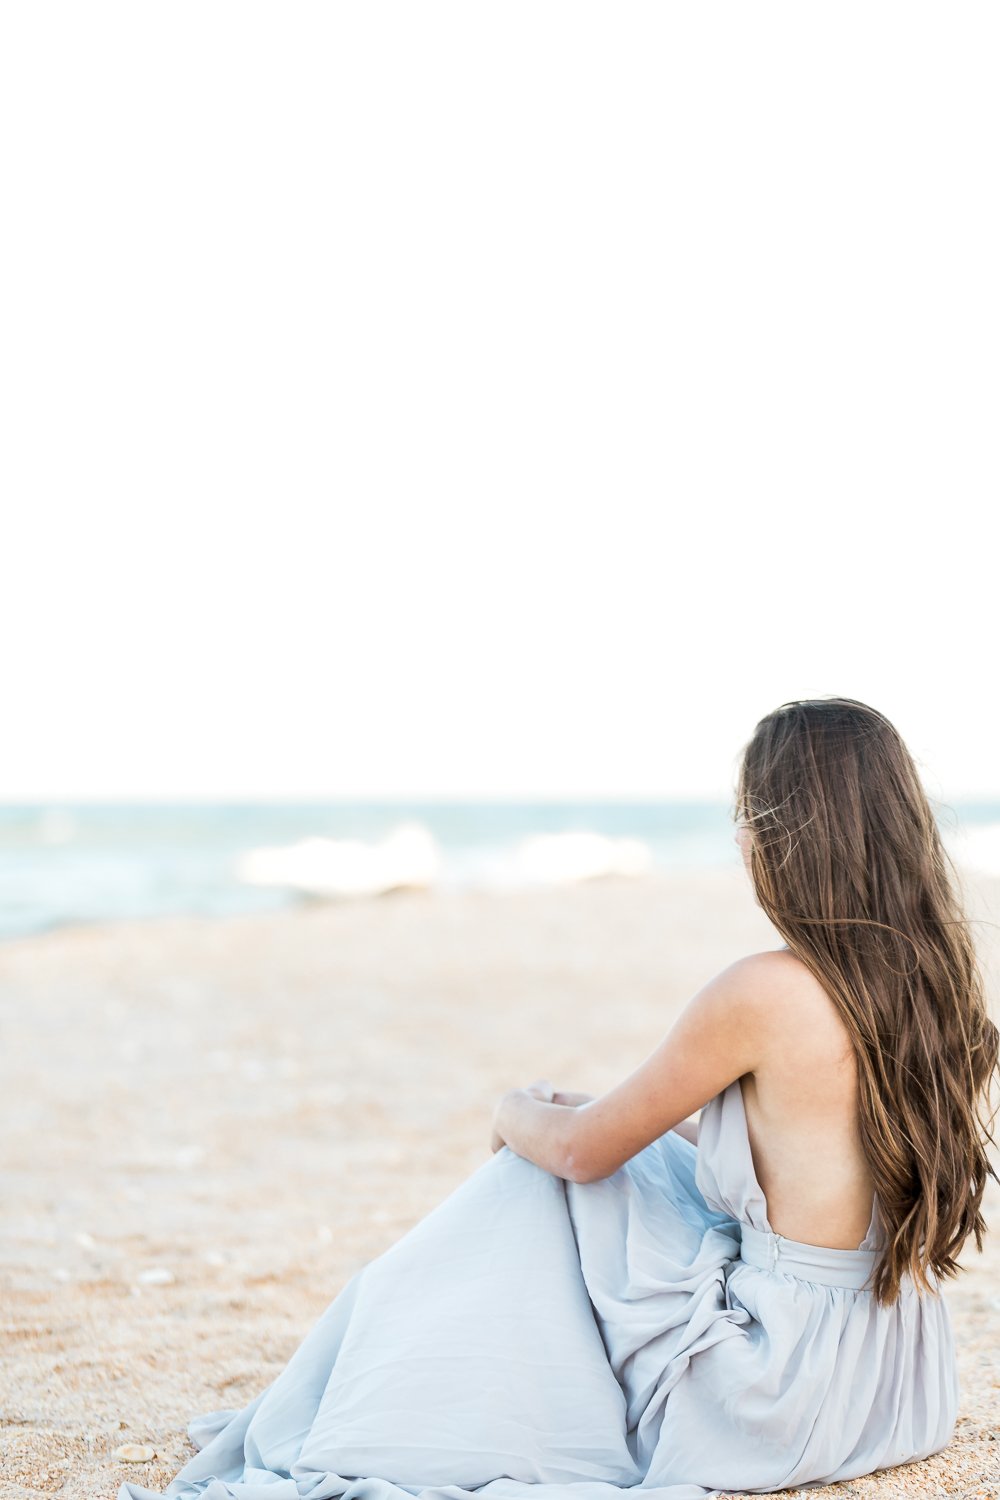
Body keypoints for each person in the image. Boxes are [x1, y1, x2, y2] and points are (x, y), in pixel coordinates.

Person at [118, 696, 998, 1500]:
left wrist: (514, 1111)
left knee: (540, 1176)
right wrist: (605, 1111)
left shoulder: (765, 991)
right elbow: (805, 1148)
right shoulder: (935, 987)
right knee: (622, 1150)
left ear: (783, 832)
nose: (738, 835)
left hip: (771, 1395)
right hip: (887, 1379)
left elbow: (583, 1153)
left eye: (745, 812)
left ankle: (373, 1394)